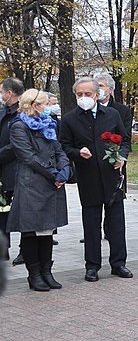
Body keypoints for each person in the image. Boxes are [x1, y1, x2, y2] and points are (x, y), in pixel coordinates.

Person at [60, 77, 132, 282]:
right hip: (88, 177)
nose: (83, 98)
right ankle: (92, 266)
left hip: (112, 176)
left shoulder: (111, 114)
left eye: (87, 94)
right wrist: (76, 152)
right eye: (79, 95)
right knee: (91, 224)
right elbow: (64, 145)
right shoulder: (69, 119)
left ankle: (119, 264)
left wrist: (122, 157)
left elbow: (124, 139)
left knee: (116, 223)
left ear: (97, 95)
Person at [8, 90, 69, 291]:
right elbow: (28, 156)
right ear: (33, 105)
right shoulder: (18, 126)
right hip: (32, 184)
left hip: (51, 184)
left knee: (47, 230)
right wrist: (53, 174)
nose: (48, 106)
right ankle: (34, 275)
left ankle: (46, 272)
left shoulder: (48, 123)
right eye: (45, 103)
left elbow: (59, 150)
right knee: (30, 231)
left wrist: (64, 170)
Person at [0, 77, 24, 264]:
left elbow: (17, 145)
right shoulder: (3, 112)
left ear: (9, 93)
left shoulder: (22, 113)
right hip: (3, 169)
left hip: (18, 169)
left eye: (2, 92)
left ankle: (25, 250)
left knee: (23, 211)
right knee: (2, 210)